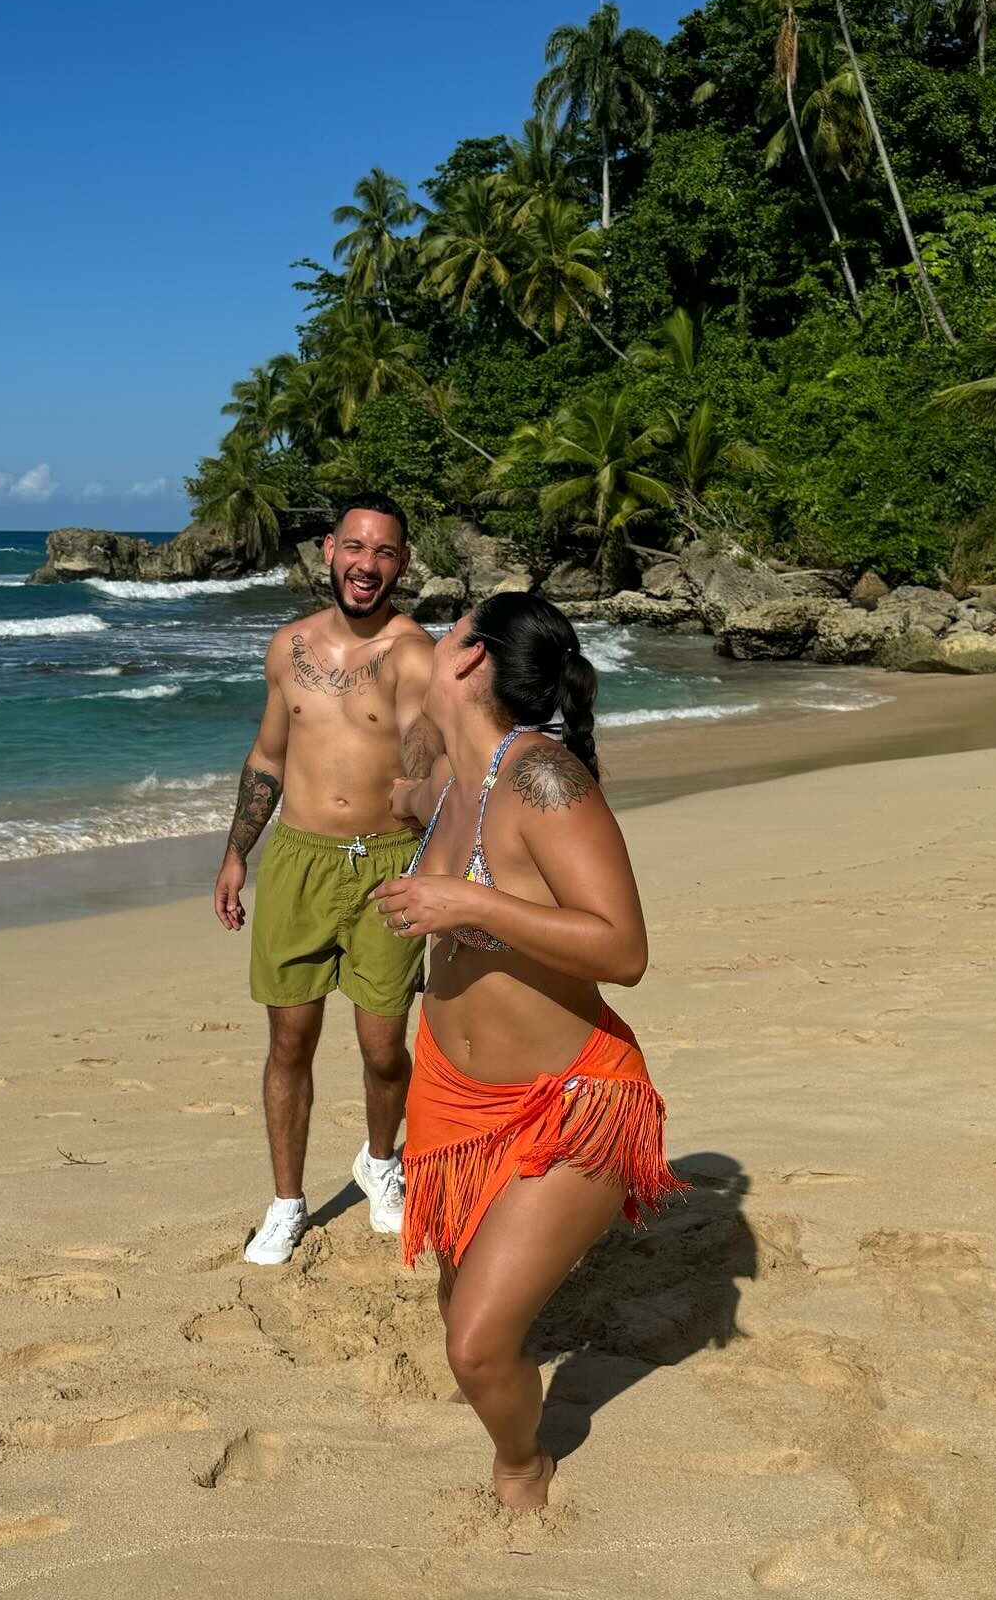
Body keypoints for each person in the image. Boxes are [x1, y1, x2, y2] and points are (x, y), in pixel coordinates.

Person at [371, 591, 684, 1510]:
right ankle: (504, 1395)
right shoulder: (450, 783)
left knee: (474, 1346)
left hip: (570, 1101)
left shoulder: (544, 779)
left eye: (448, 631)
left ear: (472, 660)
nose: (433, 641)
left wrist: (470, 903)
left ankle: (523, 1467)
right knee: (457, 1309)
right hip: (450, 1095)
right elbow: (403, 788)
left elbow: (623, 950)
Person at [214, 494, 440, 1266]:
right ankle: (287, 1202)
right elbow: (268, 755)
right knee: (289, 1041)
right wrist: (237, 853)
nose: (367, 565)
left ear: (401, 564)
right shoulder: (289, 647)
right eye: (356, 547)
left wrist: (431, 819)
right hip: (297, 860)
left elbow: (423, 750)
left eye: (384, 552)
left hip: (386, 863)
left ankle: (380, 1162)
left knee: (383, 1047)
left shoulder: (414, 654)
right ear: (328, 550)